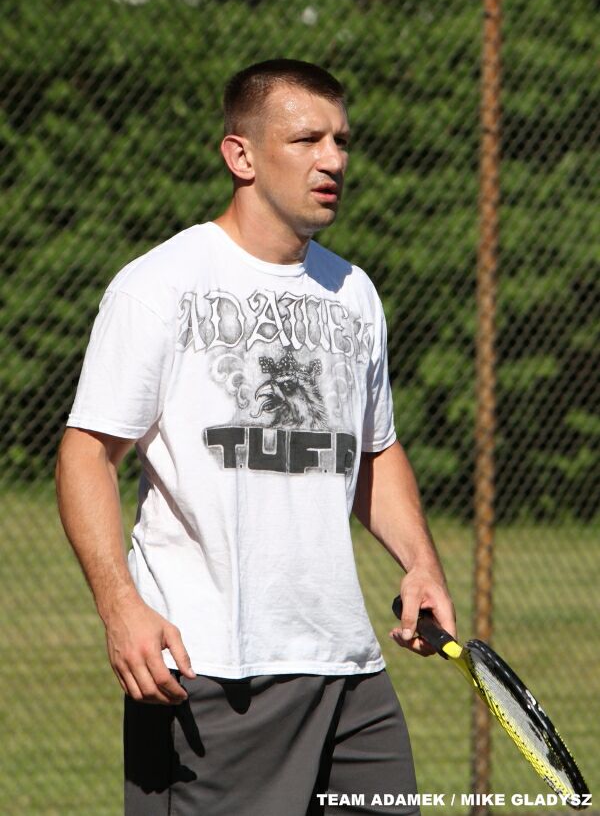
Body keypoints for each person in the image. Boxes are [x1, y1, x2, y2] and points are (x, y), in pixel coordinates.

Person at [56, 59, 455, 816]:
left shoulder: (354, 292)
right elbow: (86, 455)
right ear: (240, 155)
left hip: (350, 673)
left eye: (341, 140)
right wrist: (120, 608)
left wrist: (421, 563)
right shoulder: (160, 285)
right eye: (306, 140)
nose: (333, 160)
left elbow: (375, 448)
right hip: (212, 670)